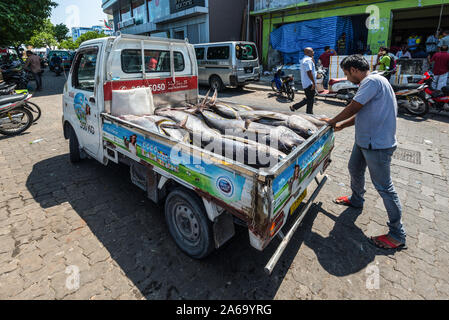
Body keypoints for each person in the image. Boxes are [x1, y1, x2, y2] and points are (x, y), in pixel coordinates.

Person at [320, 54, 406, 250]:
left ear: (354, 70)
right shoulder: (378, 80)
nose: (347, 77)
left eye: (346, 73)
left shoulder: (371, 81)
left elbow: (354, 106)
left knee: (385, 187)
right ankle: (357, 199)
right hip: (365, 141)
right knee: (354, 168)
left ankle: (397, 233)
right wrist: (342, 126)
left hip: (377, 145)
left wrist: (332, 121)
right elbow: (362, 113)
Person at [290, 47, 316, 114]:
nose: (313, 52)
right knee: (310, 99)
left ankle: (295, 107)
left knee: (309, 99)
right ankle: (309, 113)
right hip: (309, 83)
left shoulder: (306, 59)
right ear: (308, 53)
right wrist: (313, 82)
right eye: (312, 51)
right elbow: (309, 72)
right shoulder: (308, 61)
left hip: (306, 83)